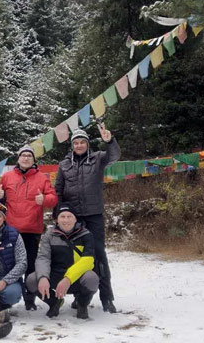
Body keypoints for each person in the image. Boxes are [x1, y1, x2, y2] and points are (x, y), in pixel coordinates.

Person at [54, 124, 120, 313]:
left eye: (83, 142)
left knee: (99, 255)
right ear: (72, 145)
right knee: (75, 256)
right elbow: (58, 190)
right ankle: (79, 296)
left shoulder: (98, 158)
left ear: (88, 144)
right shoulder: (64, 164)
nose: (79, 145)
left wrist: (109, 141)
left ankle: (107, 297)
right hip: (72, 218)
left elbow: (114, 155)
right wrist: (59, 214)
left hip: (94, 215)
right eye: (76, 142)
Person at [0, 146, 57, 310]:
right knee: (10, 265)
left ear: (33, 160)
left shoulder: (42, 178)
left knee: (30, 266)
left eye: (29, 156)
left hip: (32, 229)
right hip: (10, 230)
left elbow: (53, 198)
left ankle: (30, 301)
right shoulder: (7, 177)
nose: (26, 158)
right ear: (18, 158)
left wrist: (44, 199)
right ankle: (6, 301)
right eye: (23, 155)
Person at [24, 205, 98, 319]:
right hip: (55, 276)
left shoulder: (86, 235)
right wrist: (43, 277)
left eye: (69, 216)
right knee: (32, 280)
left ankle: (82, 304)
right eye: (62, 216)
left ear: (75, 219)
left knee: (91, 278)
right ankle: (54, 302)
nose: (66, 220)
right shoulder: (49, 235)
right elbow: (43, 258)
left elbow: (88, 261)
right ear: (57, 220)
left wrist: (68, 279)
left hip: (76, 277)